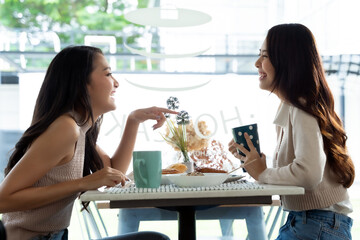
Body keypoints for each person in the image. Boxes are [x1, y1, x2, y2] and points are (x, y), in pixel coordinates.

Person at [0, 45, 175, 240]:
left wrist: (133, 121)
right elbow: (3, 200)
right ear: (81, 83)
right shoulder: (66, 128)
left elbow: (115, 171)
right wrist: (82, 183)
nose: (116, 83)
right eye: (108, 74)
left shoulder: (79, 129)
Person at [229, 23, 354, 240]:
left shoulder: (300, 108)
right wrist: (256, 163)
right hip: (313, 222)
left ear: (287, 61)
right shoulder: (299, 105)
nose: (257, 63)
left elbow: (308, 173)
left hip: (315, 224)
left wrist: (263, 173)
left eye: (265, 56)